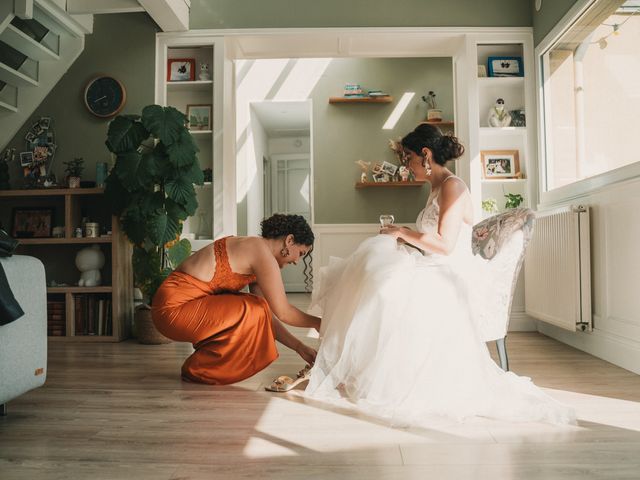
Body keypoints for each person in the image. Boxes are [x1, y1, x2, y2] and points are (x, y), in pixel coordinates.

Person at [305, 124, 575, 426]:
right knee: (372, 267)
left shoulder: (453, 186)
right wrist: (402, 239)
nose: (406, 166)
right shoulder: (436, 187)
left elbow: (445, 245)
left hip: (449, 272)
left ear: (425, 154)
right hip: (433, 264)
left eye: (408, 158)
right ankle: (359, 363)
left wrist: (403, 233)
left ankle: (365, 366)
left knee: (382, 280)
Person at [151, 214, 320, 385]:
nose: (297, 261)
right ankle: (200, 369)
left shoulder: (256, 250)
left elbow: (267, 315)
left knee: (257, 310)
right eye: (300, 253)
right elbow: (284, 312)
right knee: (254, 308)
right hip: (172, 309)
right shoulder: (259, 251)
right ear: (289, 240)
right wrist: (319, 323)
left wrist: (299, 347)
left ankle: (202, 365)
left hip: (175, 308)